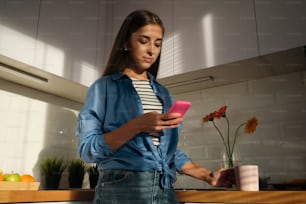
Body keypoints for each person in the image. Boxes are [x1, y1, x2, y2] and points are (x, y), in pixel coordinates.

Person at [77, 9, 235, 204]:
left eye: (158, 43)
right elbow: (88, 150)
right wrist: (138, 125)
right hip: (122, 188)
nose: (152, 50)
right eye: (144, 41)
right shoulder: (103, 88)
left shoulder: (163, 94)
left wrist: (208, 175)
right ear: (126, 42)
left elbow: (168, 152)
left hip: (163, 187)